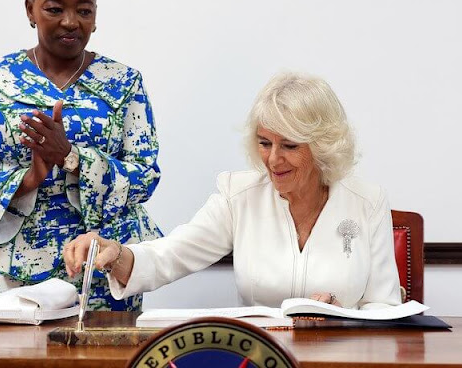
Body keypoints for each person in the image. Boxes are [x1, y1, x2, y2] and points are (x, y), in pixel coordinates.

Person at [64, 72, 401, 309]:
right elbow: (171, 255)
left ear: (322, 146)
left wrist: (339, 318)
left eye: (290, 145)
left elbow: (385, 308)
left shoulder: (367, 202)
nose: (273, 159)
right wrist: (117, 255)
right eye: (265, 143)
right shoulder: (239, 195)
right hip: (258, 359)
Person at [0, 0, 161, 311]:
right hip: (14, 272)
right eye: (55, 9)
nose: (70, 22)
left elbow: (145, 177)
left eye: (84, 11)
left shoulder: (123, 82)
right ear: (31, 10)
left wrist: (72, 158)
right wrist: (28, 179)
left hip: (102, 266)